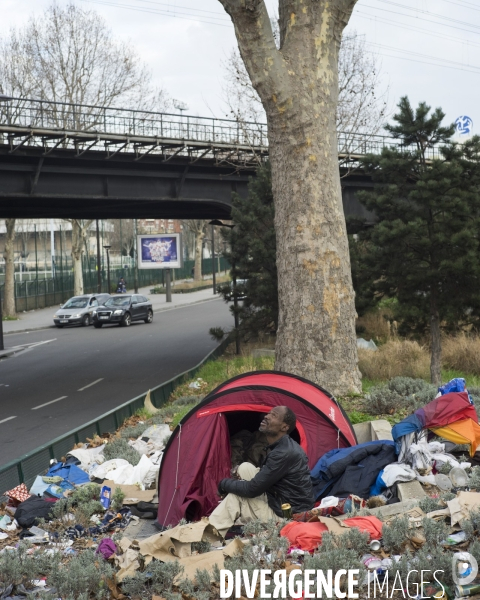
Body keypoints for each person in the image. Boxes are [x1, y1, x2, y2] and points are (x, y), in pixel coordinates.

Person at [209, 406, 314, 537]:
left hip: (288, 516)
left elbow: (252, 489)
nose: (266, 416)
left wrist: (224, 484)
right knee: (245, 467)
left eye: (274, 415)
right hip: (280, 499)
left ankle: (206, 538)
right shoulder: (283, 446)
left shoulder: (283, 453)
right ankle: (236, 517)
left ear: (284, 427)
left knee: (236, 497)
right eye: (268, 413)